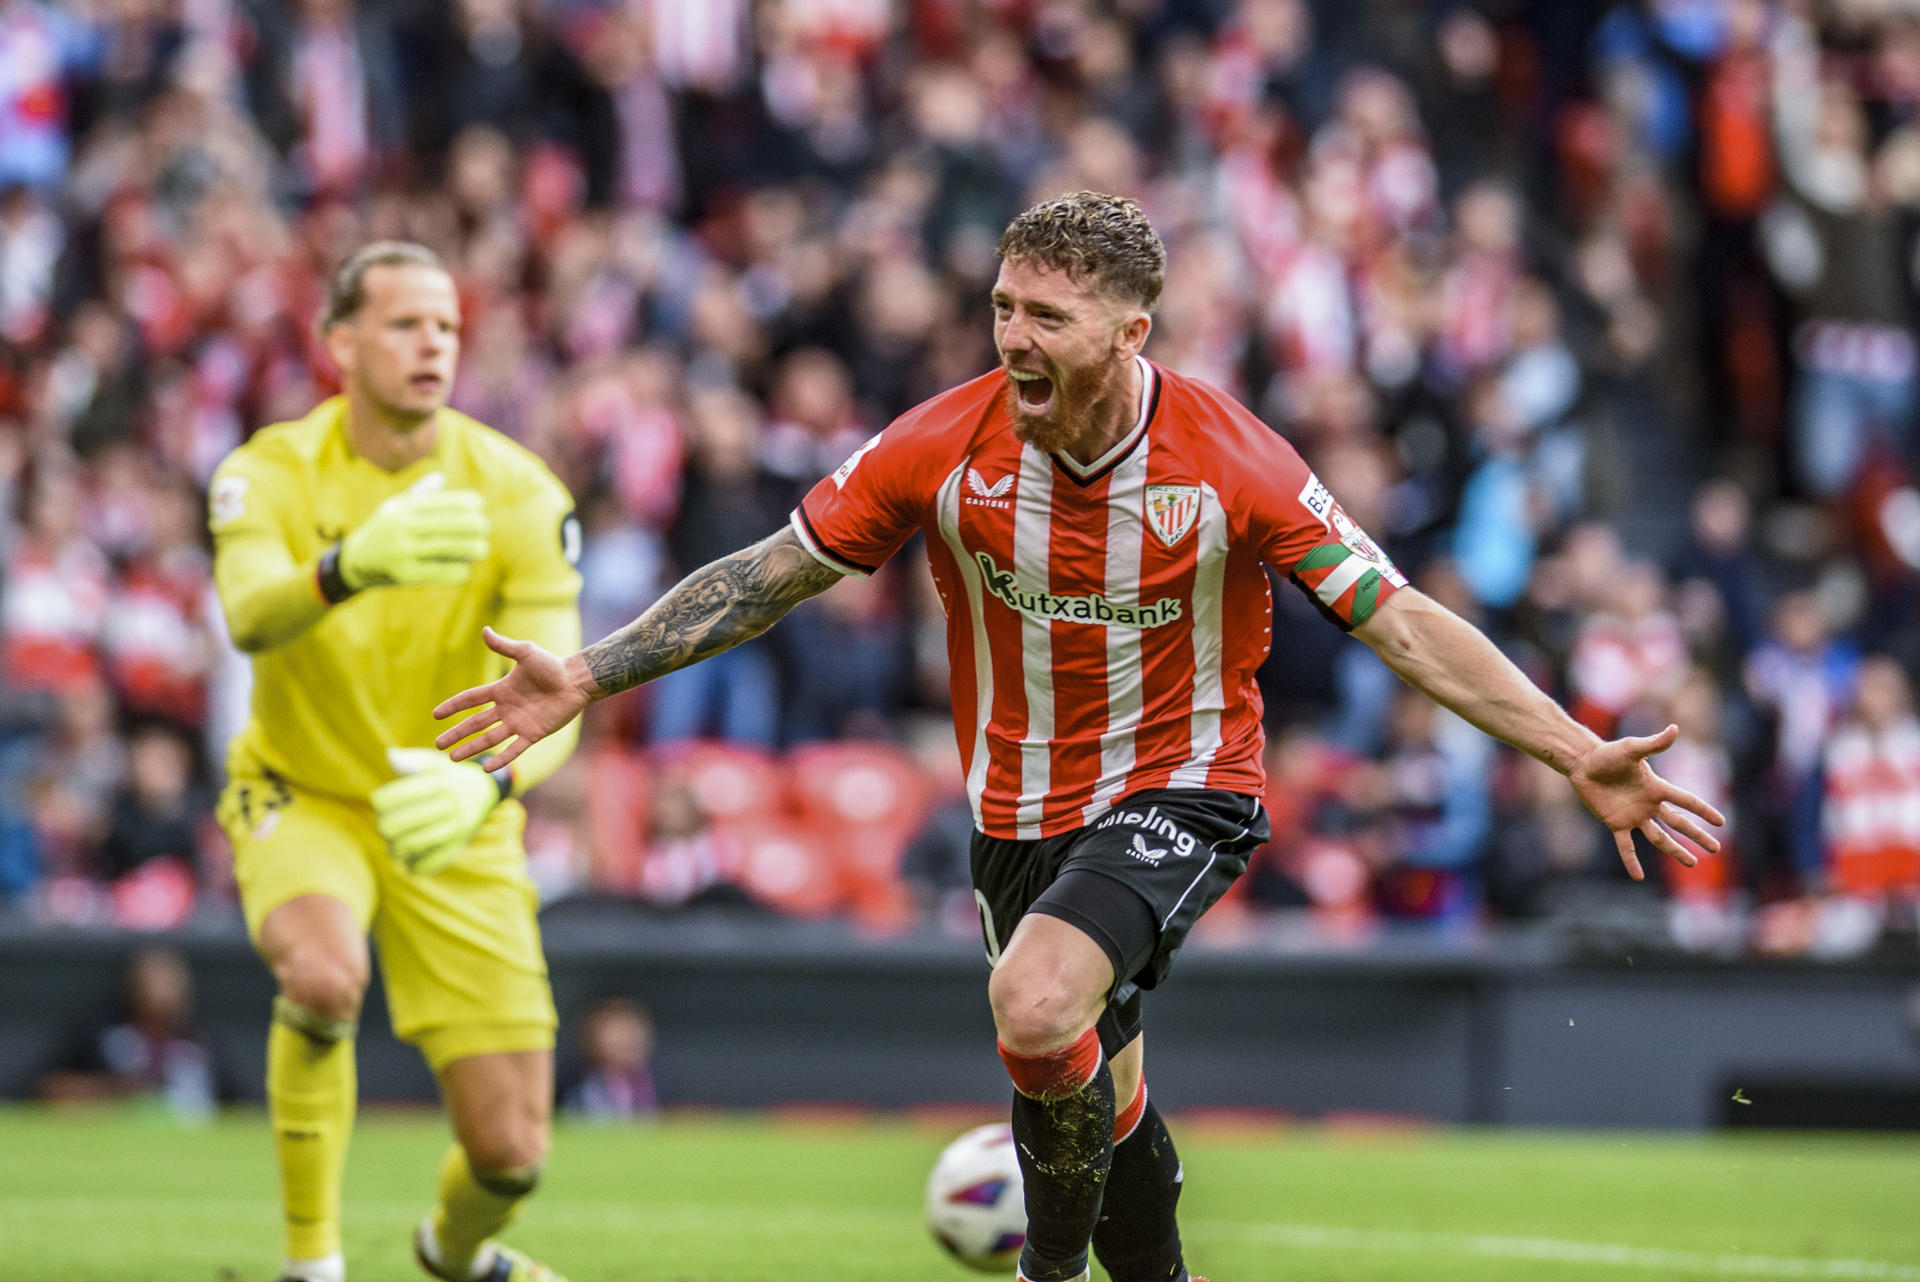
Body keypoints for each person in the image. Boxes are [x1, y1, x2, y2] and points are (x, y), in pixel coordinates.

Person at [432, 193, 1725, 1282]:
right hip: (1018, 816)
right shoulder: (944, 443)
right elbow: (775, 572)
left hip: (1184, 782)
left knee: (1037, 997)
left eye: (1045, 317)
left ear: (1128, 330)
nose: (1012, 339)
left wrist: (1568, 745)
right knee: (1090, 1078)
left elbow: (1400, 621)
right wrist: (591, 673)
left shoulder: (1236, 461)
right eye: (1002, 308)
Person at [208, 242, 582, 1282]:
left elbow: (564, 697)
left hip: (451, 810)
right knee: (324, 975)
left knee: (511, 1156)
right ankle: (309, 1263)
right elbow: (247, 614)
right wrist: (345, 566)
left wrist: (487, 781)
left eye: (449, 326)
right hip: (305, 788)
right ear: (339, 343)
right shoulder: (267, 470)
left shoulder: (519, 491)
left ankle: (452, 1256)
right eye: (406, 323)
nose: (434, 344)